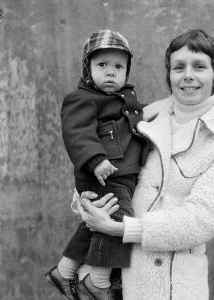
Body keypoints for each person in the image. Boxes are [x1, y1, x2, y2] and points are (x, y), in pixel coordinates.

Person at [64, 29, 214, 300]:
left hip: (172, 286)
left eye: (199, 66)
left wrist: (120, 228)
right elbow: (99, 161)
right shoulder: (144, 118)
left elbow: (201, 221)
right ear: (169, 75)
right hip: (118, 279)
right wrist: (87, 203)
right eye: (179, 67)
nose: (188, 75)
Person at [46, 29, 149, 300]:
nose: (111, 72)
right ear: (87, 69)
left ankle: (65, 270)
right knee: (118, 217)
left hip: (120, 174)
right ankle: (97, 280)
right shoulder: (81, 99)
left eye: (118, 66)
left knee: (94, 224)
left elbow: (136, 123)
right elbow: (78, 133)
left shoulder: (127, 99)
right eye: (102, 65)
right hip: (102, 172)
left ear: (127, 70)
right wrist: (96, 160)